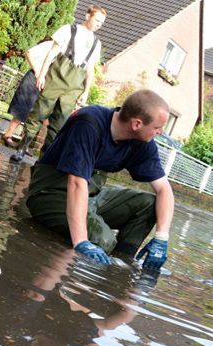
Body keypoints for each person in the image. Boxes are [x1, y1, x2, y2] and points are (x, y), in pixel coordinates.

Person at [25, 89, 175, 270]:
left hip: (90, 196)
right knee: (103, 240)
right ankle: (90, 270)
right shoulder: (88, 122)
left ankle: (123, 262)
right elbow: (76, 182)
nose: (161, 132)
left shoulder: (143, 143)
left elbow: (164, 190)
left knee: (149, 205)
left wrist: (161, 238)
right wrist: (81, 241)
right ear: (137, 124)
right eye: (158, 127)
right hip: (50, 193)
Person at [10, 4, 107, 163]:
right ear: (88, 16)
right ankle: (22, 149)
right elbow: (52, 53)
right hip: (56, 76)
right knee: (39, 113)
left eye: (102, 23)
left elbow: (90, 69)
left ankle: (45, 159)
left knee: (59, 123)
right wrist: (41, 74)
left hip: (75, 84)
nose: (99, 25)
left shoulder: (97, 43)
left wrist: (86, 91)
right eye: (97, 20)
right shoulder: (68, 29)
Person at [1, 38, 55, 148]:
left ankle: (23, 145)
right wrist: (38, 72)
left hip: (46, 84)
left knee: (35, 114)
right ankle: (8, 135)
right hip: (34, 78)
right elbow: (29, 52)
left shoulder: (65, 52)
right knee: (23, 109)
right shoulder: (49, 45)